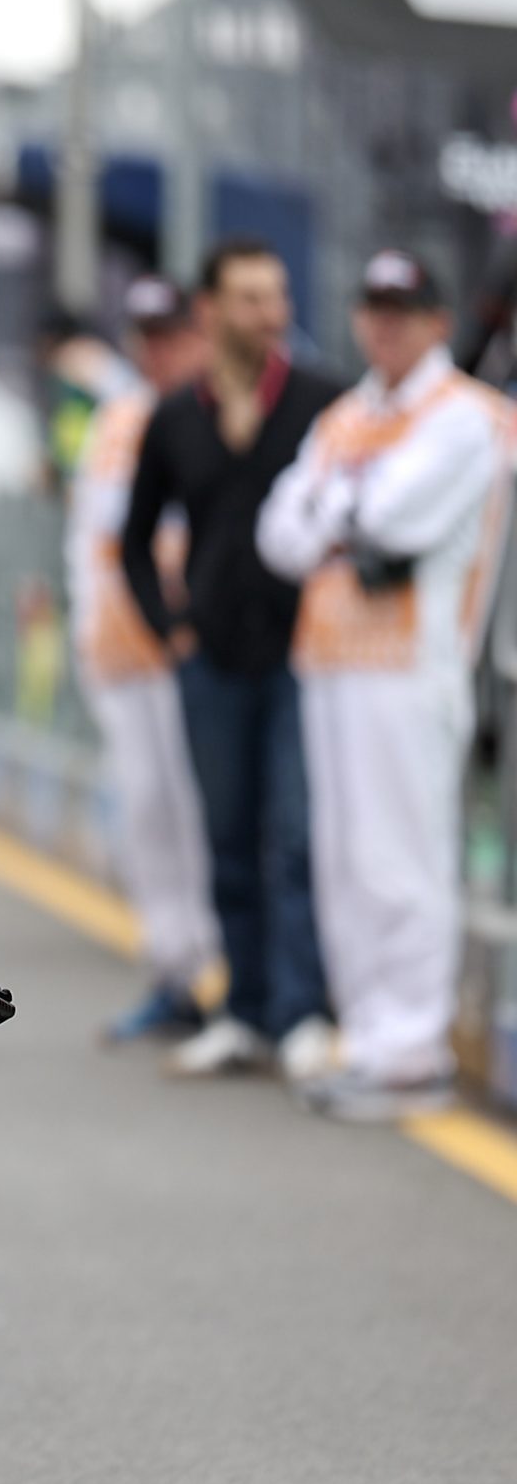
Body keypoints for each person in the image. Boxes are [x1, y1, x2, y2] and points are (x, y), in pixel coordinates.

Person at [258, 250, 515, 1123]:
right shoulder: (344, 417)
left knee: (402, 856)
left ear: (438, 320)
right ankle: (371, 1037)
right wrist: (344, 518)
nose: (388, 323)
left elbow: (393, 518)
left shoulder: (468, 415)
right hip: (332, 658)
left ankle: (412, 1048)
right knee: (345, 860)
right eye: (375, 307)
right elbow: (277, 534)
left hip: (413, 665)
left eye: (405, 308)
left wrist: (332, 513)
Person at [120, 238, 345, 1083]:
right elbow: (134, 540)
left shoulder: (322, 402)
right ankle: (244, 1011)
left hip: (302, 660)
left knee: (295, 834)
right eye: (250, 298)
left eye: (276, 296)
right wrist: (171, 631)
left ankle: (302, 1010)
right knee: (226, 838)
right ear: (210, 310)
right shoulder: (176, 415)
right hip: (210, 662)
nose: (270, 313)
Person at [66, 276, 219, 1040]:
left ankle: (223, 974)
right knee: (150, 815)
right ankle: (174, 971)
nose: (157, 349)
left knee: (202, 813)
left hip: (188, 648)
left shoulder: (213, 410)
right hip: (124, 657)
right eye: (146, 336)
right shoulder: (117, 417)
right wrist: (88, 637)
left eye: (171, 333)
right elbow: (87, 541)